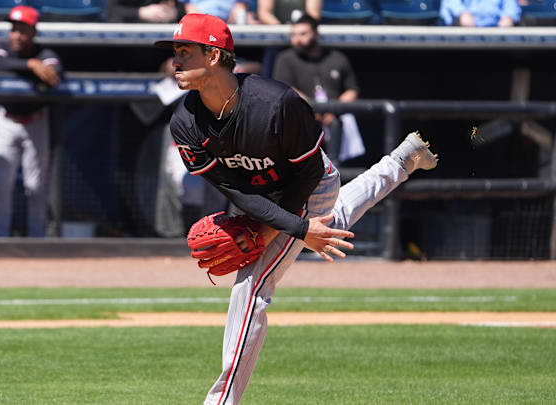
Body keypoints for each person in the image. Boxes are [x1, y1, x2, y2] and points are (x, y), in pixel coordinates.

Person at [155, 13, 438, 405]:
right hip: (261, 196)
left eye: (185, 51)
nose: (176, 61)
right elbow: (236, 192)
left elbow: (308, 172)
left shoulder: (277, 103)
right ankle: (400, 162)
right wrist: (298, 229)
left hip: (313, 182)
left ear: (215, 55)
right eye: (175, 52)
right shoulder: (185, 121)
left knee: (252, 286)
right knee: (330, 225)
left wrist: (291, 229)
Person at [0, 5, 62, 237]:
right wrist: (29, 65)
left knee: (36, 187)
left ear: (34, 32)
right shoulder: (0, 46)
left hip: (36, 122)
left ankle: (37, 239)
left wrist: (39, 64)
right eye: (14, 29)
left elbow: (54, 68)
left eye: (23, 30)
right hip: (6, 121)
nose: (17, 35)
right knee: (1, 185)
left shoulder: (43, 52)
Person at [272, 14, 361, 164]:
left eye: (303, 34)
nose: (297, 39)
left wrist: (333, 110)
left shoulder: (337, 57)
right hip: (302, 119)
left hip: (335, 119)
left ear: (316, 34)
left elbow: (352, 90)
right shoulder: (285, 58)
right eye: (294, 34)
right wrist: (313, 109)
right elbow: (285, 88)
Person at [440, 0, 521, 26]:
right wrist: (462, 13)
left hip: (497, 33)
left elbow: (511, 6)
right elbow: (451, 4)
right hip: (462, 30)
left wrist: (508, 17)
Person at [106, 0, 180, 23]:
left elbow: (184, 9)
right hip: (124, 45)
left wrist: (175, 13)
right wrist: (140, 13)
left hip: (161, 47)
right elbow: (110, 12)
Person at [257, 0, 322, 24]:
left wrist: (298, 27)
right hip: (276, 33)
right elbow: (264, 13)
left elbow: (313, 14)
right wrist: (281, 28)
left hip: (303, 30)